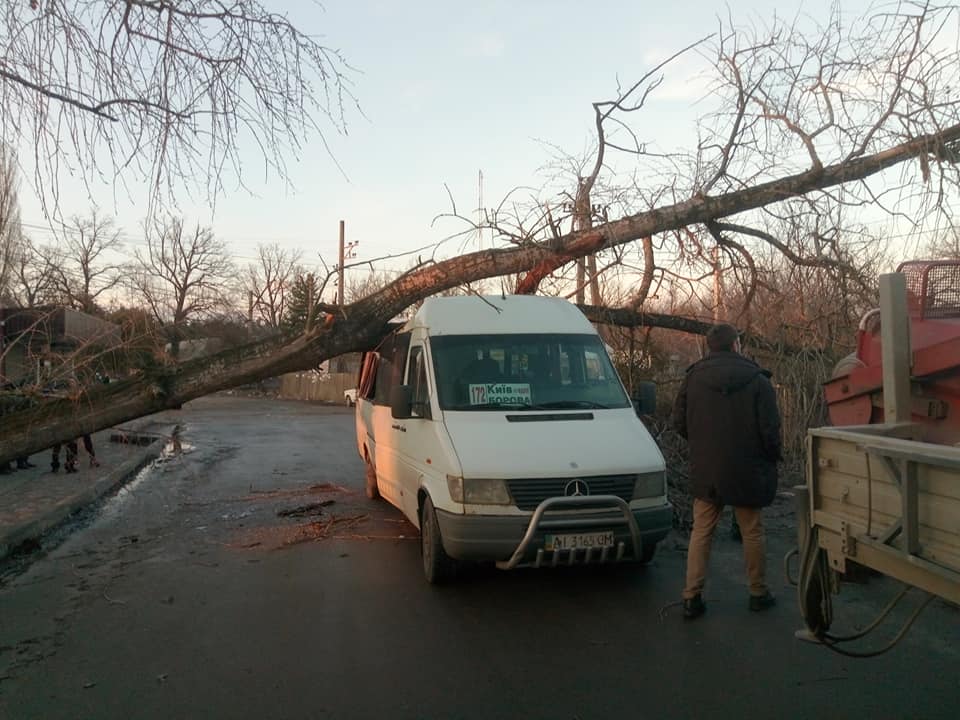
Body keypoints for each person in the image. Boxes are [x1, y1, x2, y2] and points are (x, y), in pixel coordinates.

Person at [672, 323, 783, 620]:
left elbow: (679, 422)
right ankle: (758, 593)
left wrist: (703, 448)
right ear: (736, 345)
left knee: (702, 532)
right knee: (752, 531)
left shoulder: (693, 378)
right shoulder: (758, 380)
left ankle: (691, 597)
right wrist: (772, 458)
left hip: (708, 469)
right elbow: (771, 430)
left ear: (710, 346)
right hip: (748, 468)